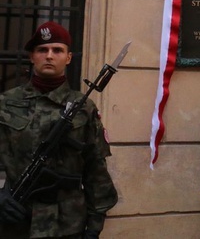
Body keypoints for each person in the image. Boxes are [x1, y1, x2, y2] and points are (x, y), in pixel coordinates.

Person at [0, 21, 118, 238]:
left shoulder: (83, 108)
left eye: (57, 50)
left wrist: (94, 228)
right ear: (32, 56)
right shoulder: (6, 103)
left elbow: (96, 170)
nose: (49, 55)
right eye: (42, 50)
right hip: (16, 221)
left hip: (67, 225)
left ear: (69, 58)